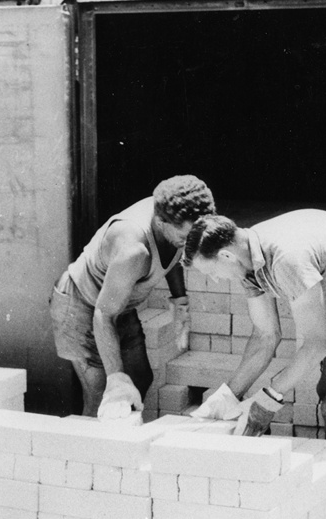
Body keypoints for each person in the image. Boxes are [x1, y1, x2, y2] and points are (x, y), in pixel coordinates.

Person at [183, 210, 326, 441]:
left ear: (226, 256)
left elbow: (317, 345)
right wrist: (227, 396)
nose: (215, 279)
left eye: (212, 271)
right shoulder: (247, 260)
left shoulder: (286, 258)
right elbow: (266, 335)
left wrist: (266, 402)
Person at [50, 175, 216, 420]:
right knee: (102, 397)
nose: (190, 244)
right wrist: (115, 379)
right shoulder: (133, 250)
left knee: (140, 378)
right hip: (82, 305)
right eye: (185, 238)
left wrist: (180, 302)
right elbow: (103, 314)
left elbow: (175, 254)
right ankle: (93, 455)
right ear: (161, 222)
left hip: (118, 302)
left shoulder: (176, 216)